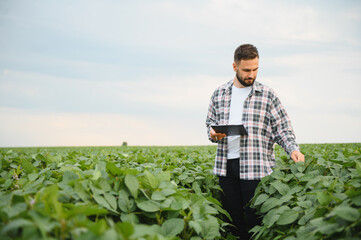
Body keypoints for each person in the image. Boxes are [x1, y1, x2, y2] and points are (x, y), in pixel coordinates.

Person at [205, 44, 304, 240]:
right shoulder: (219, 94)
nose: (251, 74)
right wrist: (213, 133)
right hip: (227, 168)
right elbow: (210, 124)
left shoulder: (267, 95)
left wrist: (292, 149)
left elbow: (282, 128)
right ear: (235, 67)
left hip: (256, 168)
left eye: (255, 69)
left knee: (255, 222)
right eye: (246, 70)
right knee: (232, 222)